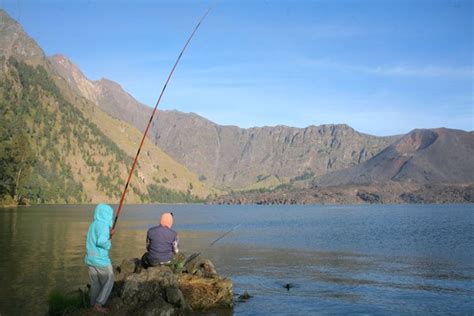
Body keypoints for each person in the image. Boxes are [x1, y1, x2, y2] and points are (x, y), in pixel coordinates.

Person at [85, 204, 115, 313]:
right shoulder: (103, 226)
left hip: (90, 259)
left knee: (95, 283)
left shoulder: (93, 225)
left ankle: (92, 304)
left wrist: (108, 234)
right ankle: (99, 304)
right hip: (101, 260)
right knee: (109, 279)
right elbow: (101, 242)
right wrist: (109, 243)